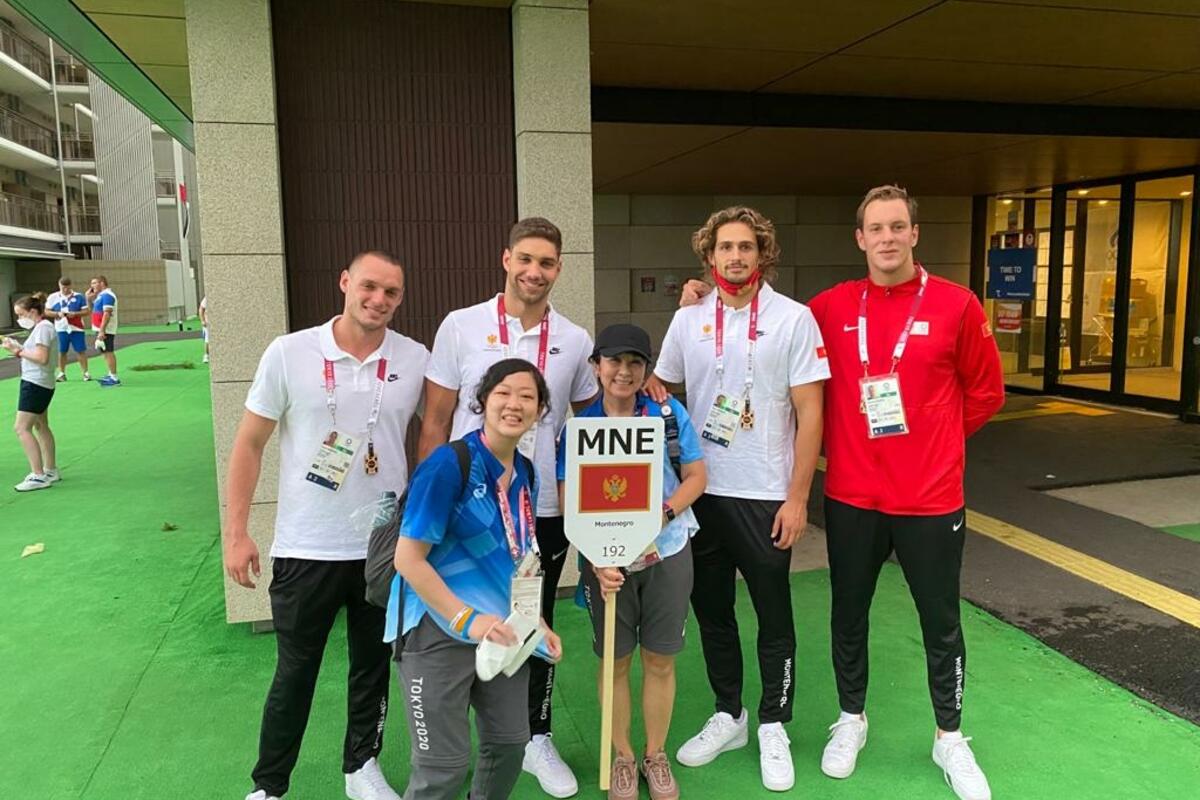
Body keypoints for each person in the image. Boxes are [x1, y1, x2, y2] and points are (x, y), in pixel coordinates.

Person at [807, 186, 1004, 800]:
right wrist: (703, 298)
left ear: (915, 234)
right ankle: (851, 718)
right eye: (876, 228)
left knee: (941, 621)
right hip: (852, 496)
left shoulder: (957, 305)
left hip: (931, 499)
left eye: (897, 227)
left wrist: (936, 440)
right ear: (859, 239)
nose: (887, 238)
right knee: (848, 613)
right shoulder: (829, 307)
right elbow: (770, 333)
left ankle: (949, 736)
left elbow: (986, 392)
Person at [223, 251, 428, 800]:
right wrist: (237, 533)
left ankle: (361, 767)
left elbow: (447, 420)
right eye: (369, 286)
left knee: (371, 667)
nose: (378, 300)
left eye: (391, 292)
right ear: (344, 283)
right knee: (295, 672)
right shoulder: (289, 352)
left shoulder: (414, 358)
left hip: (383, 548)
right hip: (306, 544)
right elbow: (249, 443)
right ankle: (270, 785)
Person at [645, 206, 828, 792]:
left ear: (763, 254)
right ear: (709, 256)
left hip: (767, 494)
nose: (735, 257)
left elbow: (811, 413)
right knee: (713, 612)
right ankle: (731, 714)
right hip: (702, 492)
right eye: (725, 247)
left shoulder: (794, 319)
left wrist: (798, 498)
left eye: (746, 246)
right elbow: (660, 385)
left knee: (774, 614)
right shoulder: (689, 318)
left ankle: (774, 722)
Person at [419, 217, 597, 798]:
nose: (534, 272)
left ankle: (533, 735)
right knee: (461, 611)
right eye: (525, 259)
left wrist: (646, 386)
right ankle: (453, 738)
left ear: (559, 269)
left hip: (538, 507)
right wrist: (424, 495)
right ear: (506, 259)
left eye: (546, 263)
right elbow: (436, 419)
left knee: (533, 618)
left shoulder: (575, 339)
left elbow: (592, 419)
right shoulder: (460, 325)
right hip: (465, 508)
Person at [393, 357, 565, 800]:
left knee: (509, 747)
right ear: (483, 400)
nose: (514, 404)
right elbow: (408, 559)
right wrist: (467, 619)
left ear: (540, 410)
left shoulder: (526, 472)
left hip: (502, 631)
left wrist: (536, 622)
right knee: (442, 768)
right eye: (503, 393)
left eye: (527, 396)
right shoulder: (449, 464)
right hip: (436, 628)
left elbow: (518, 557)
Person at [556, 324, 706, 800]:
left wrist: (661, 513)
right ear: (596, 366)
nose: (624, 372)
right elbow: (569, 498)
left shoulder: (667, 415)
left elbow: (696, 476)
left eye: (635, 363)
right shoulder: (579, 429)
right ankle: (622, 756)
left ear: (646, 369)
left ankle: (655, 754)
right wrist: (596, 557)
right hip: (606, 566)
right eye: (614, 361)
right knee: (615, 662)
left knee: (659, 660)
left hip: (668, 551)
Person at [3, 294, 60, 491]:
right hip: (41, 382)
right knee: (41, 425)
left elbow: (42, 358)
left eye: (21, 314)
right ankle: (50, 469)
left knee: (21, 428)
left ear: (33, 311)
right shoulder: (42, 327)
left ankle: (38, 475)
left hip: (36, 383)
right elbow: (36, 354)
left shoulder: (43, 328)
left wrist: (17, 351)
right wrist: (18, 348)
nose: (19, 319)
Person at [45, 277, 91, 381]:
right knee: (62, 351)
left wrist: (75, 314)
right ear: (59, 285)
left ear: (71, 286)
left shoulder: (79, 296)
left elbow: (86, 311)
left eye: (67, 288)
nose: (65, 290)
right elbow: (47, 311)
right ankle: (61, 373)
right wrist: (57, 313)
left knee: (80, 350)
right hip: (61, 328)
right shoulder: (53, 297)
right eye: (63, 288)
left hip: (77, 327)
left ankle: (85, 373)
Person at [86, 275, 120, 387]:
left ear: (102, 283)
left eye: (94, 283)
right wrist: (88, 299)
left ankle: (114, 377)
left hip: (106, 329)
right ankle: (111, 374)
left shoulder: (107, 295)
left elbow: (107, 313)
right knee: (104, 351)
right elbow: (92, 310)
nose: (92, 286)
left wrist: (102, 330)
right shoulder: (100, 296)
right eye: (91, 283)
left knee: (108, 351)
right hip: (99, 328)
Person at [200, 295, 211, 363]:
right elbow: (201, 309)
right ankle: (206, 355)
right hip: (208, 323)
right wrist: (203, 320)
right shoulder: (207, 298)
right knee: (207, 340)